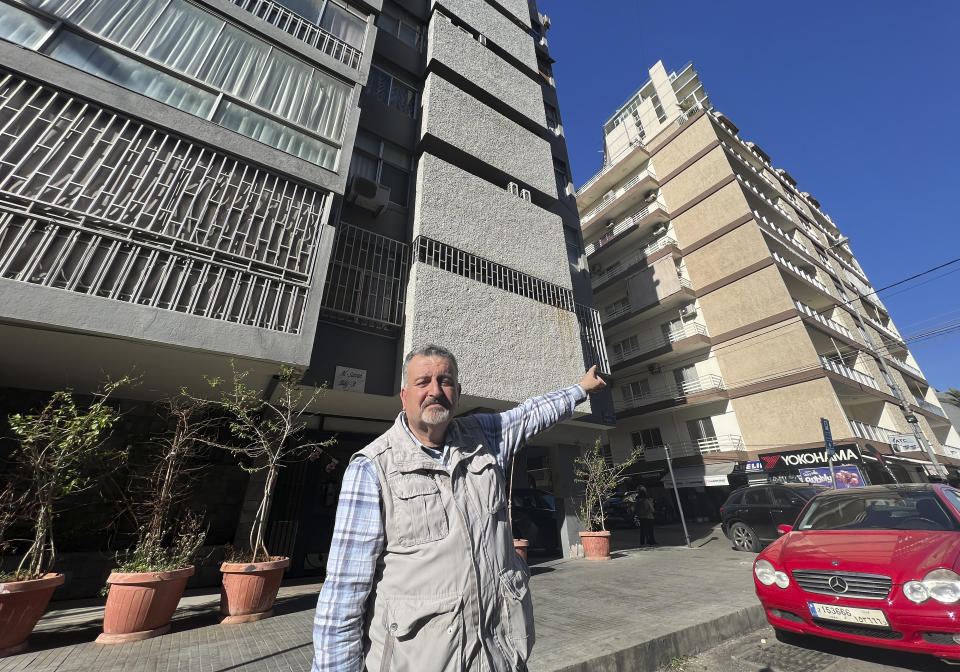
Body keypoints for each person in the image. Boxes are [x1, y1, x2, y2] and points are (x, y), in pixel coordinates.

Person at [312, 344, 607, 672]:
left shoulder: (484, 436)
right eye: (423, 382)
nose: (435, 391)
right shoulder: (372, 467)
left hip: (500, 657)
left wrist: (580, 389)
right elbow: (345, 591)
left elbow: (532, 413)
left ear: (458, 392)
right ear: (404, 395)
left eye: (445, 380)